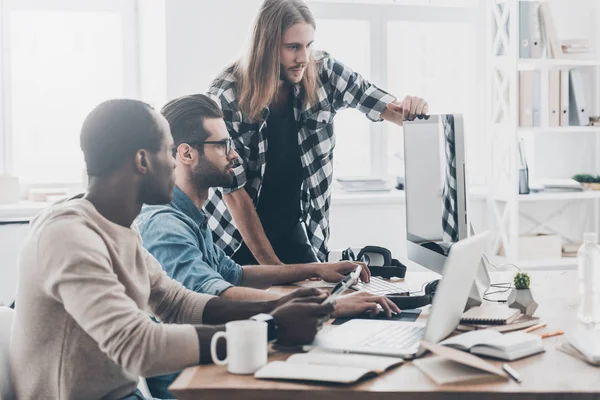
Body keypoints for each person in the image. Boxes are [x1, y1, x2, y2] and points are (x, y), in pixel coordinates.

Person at [9, 99, 334, 400]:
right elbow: (138, 346)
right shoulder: (68, 234)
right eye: (168, 152)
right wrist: (270, 327)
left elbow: (177, 303)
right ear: (142, 160)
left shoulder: (121, 229)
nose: (175, 164)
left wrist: (279, 306)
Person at [136, 94, 400, 398]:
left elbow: (234, 273)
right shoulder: (164, 224)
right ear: (186, 154)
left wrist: (318, 270)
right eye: (222, 145)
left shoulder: (189, 214)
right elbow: (210, 293)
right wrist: (325, 306)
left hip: (211, 362)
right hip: (190, 380)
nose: (233, 156)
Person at [206, 0, 429, 266]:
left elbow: (382, 105)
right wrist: (276, 270)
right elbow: (234, 192)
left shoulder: (323, 71)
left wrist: (414, 111)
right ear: (265, 46)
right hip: (236, 238)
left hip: (296, 230)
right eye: (293, 47)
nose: (303, 57)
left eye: (308, 45)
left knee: (324, 302)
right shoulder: (227, 94)